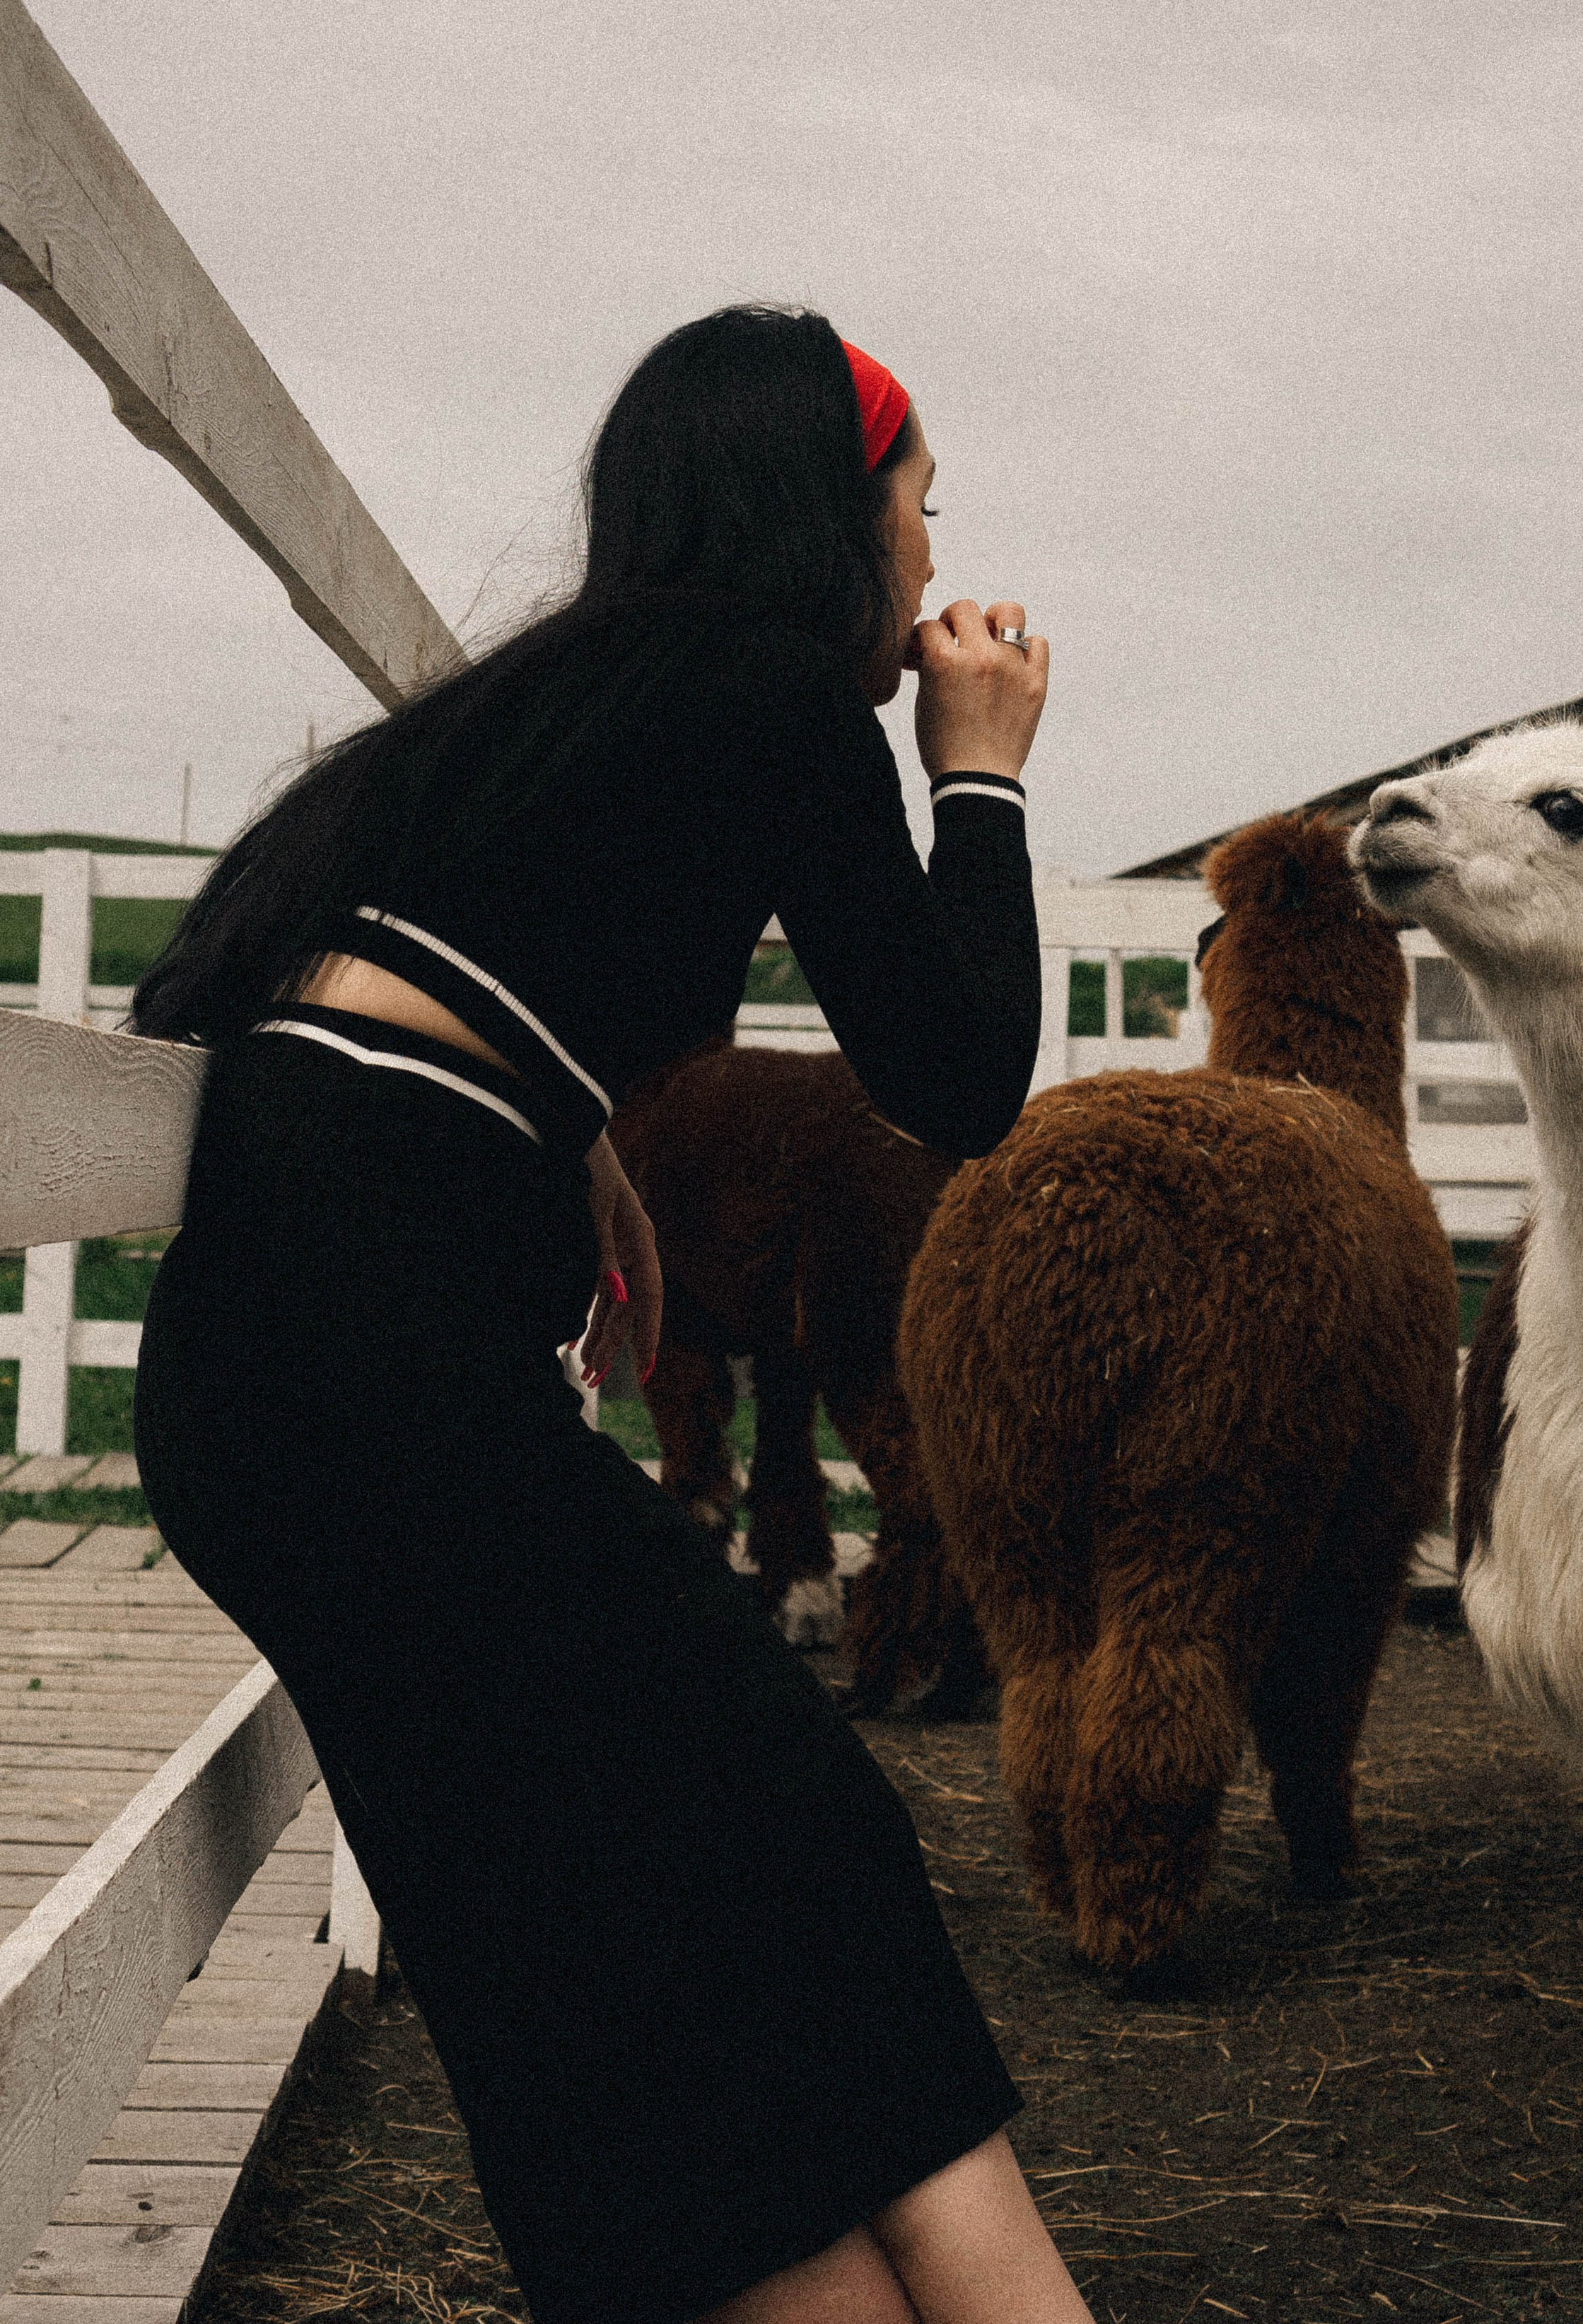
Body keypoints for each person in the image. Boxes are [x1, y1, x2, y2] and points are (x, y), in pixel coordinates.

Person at [130, 306, 1091, 2324]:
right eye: (921, 504)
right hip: (380, 1378)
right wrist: (979, 774)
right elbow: (960, 1077)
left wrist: (562, 1143)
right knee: (775, 1830)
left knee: (572, 1922)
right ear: (836, 518)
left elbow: (230, 977)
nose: (934, 556)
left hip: (271, 1374)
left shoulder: (546, 712)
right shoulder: (772, 704)